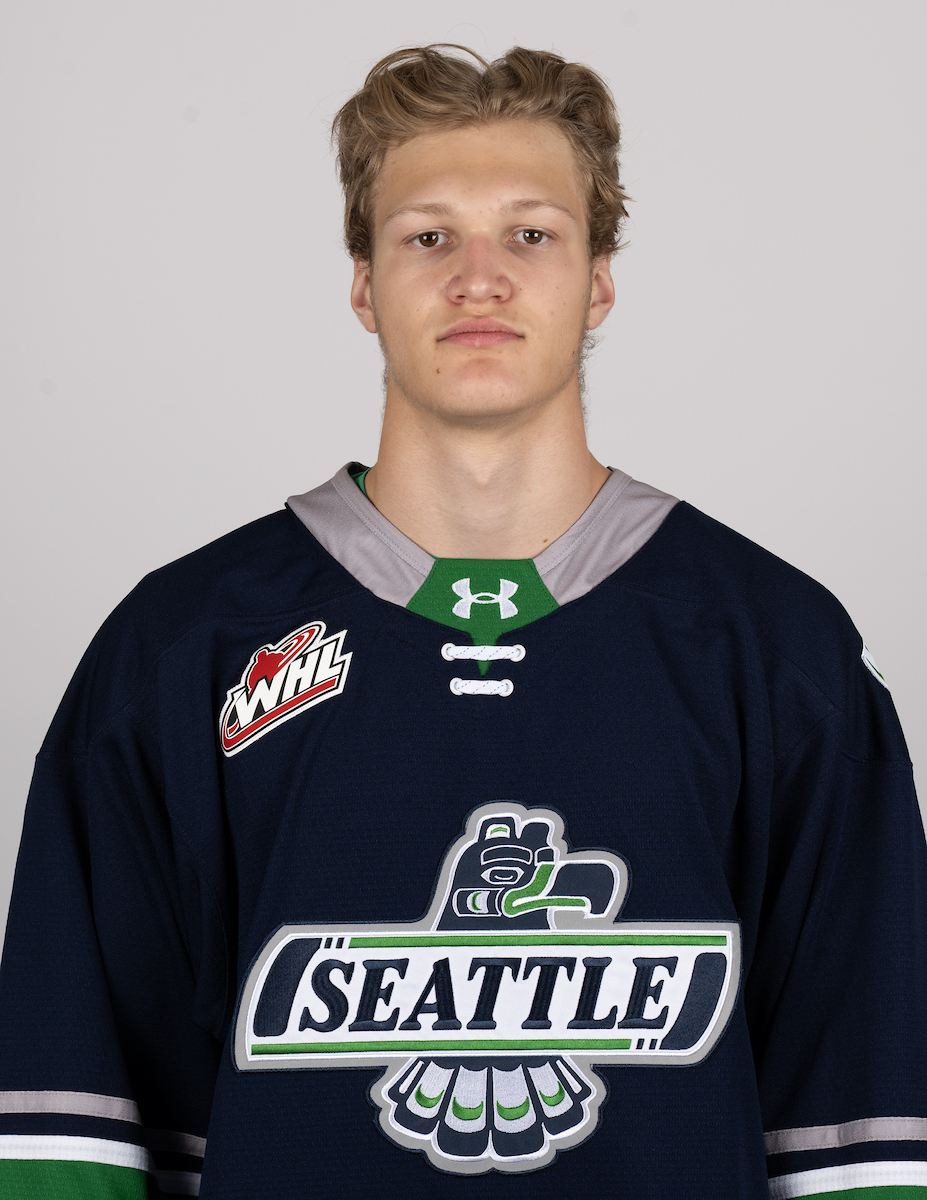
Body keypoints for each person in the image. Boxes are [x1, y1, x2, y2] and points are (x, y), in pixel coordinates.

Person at [0, 42, 924, 1200]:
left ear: (598, 280)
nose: (479, 278)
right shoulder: (180, 650)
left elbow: (862, 1145)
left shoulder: (780, 653)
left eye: (530, 234)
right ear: (362, 283)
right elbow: (70, 1134)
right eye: (428, 236)